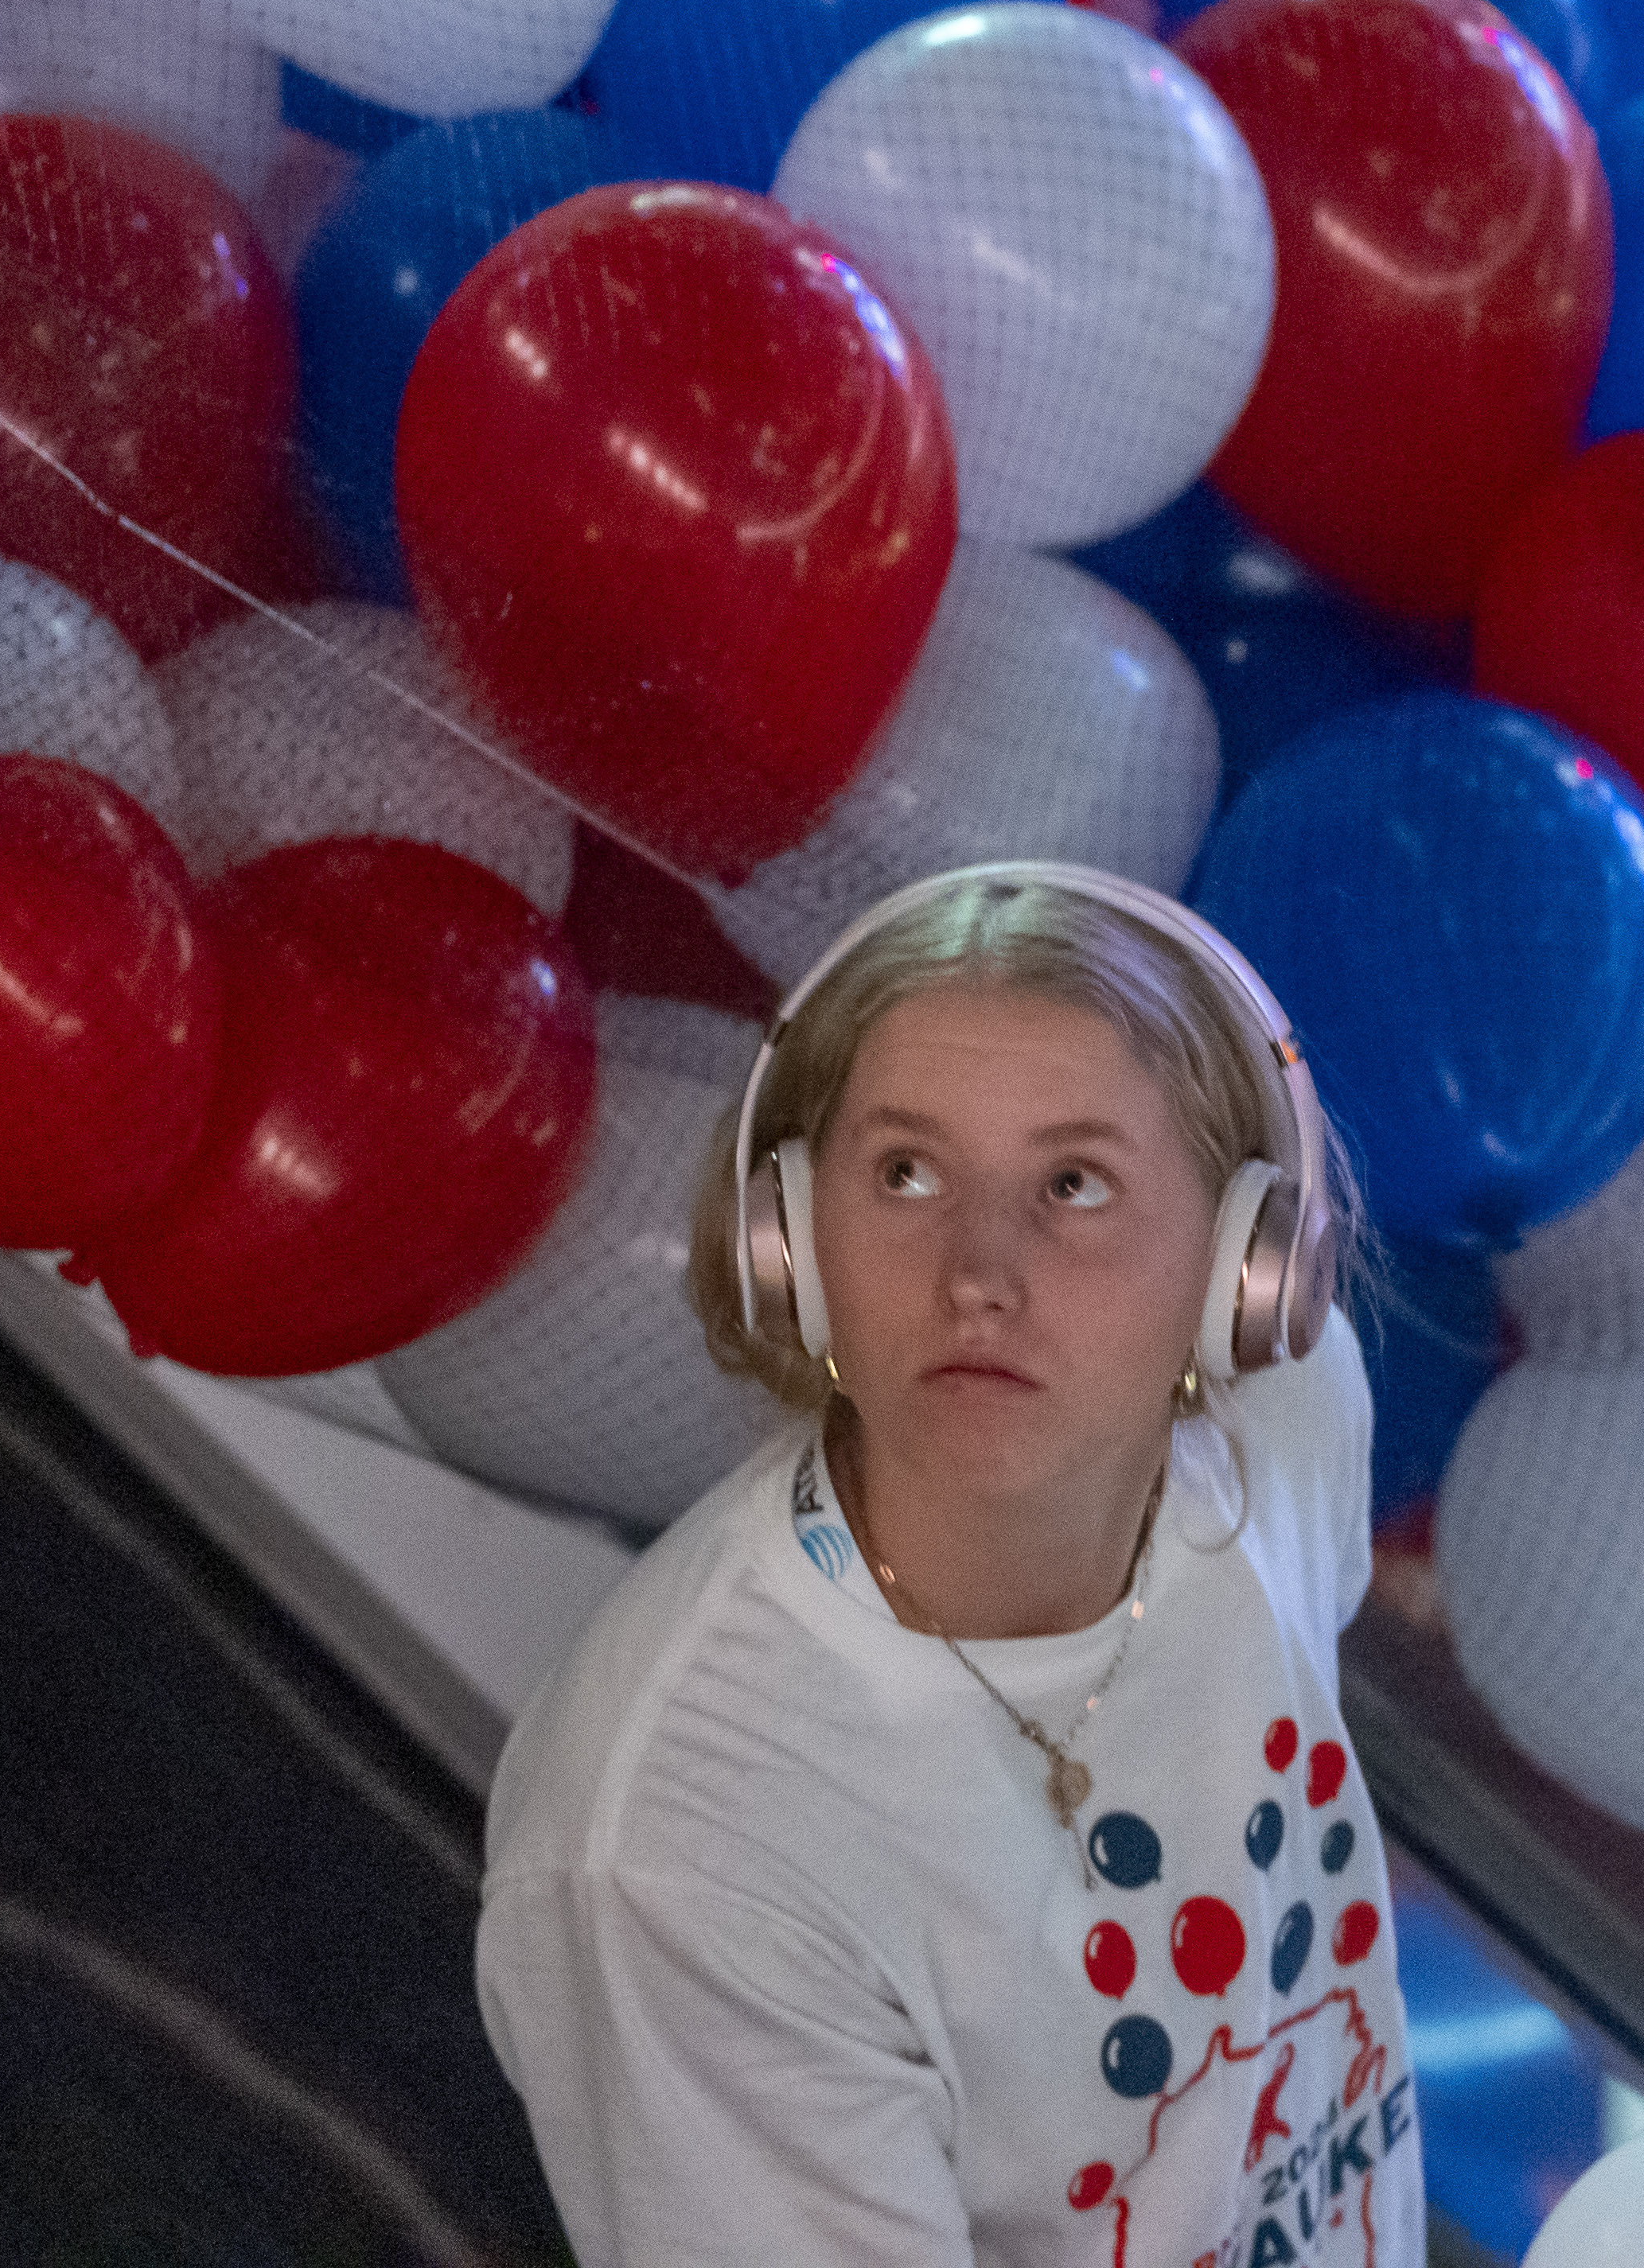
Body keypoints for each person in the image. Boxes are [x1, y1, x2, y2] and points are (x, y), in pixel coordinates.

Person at [480, 862, 1420, 2267]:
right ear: (789, 1246)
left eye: (1076, 1184)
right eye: (905, 1174)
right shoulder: (685, 1855)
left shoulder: (1284, 1414)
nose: (981, 1269)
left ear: (1243, 1271)